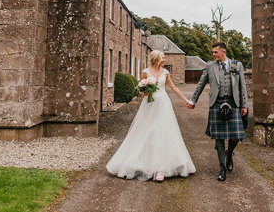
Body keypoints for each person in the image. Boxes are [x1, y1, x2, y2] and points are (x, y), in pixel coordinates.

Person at [106, 50, 196, 181]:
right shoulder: (145, 72)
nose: (164, 60)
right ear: (155, 59)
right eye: (163, 58)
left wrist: (186, 101)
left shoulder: (165, 73)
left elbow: (174, 88)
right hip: (149, 105)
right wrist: (144, 92)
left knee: (163, 132)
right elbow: (140, 91)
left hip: (163, 104)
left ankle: (161, 169)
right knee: (145, 131)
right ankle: (140, 164)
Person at [187, 42, 248, 182]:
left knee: (236, 136)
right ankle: (222, 167)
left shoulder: (236, 65)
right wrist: (192, 101)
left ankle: (230, 154)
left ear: (223, 52)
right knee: (219, 138)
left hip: (234, 103)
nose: (213, 54)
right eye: (213, 52)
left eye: (215, 52)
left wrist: (244, 105)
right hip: (217, 103)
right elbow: (200, 84)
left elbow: (242, 86)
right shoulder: (210, 66)